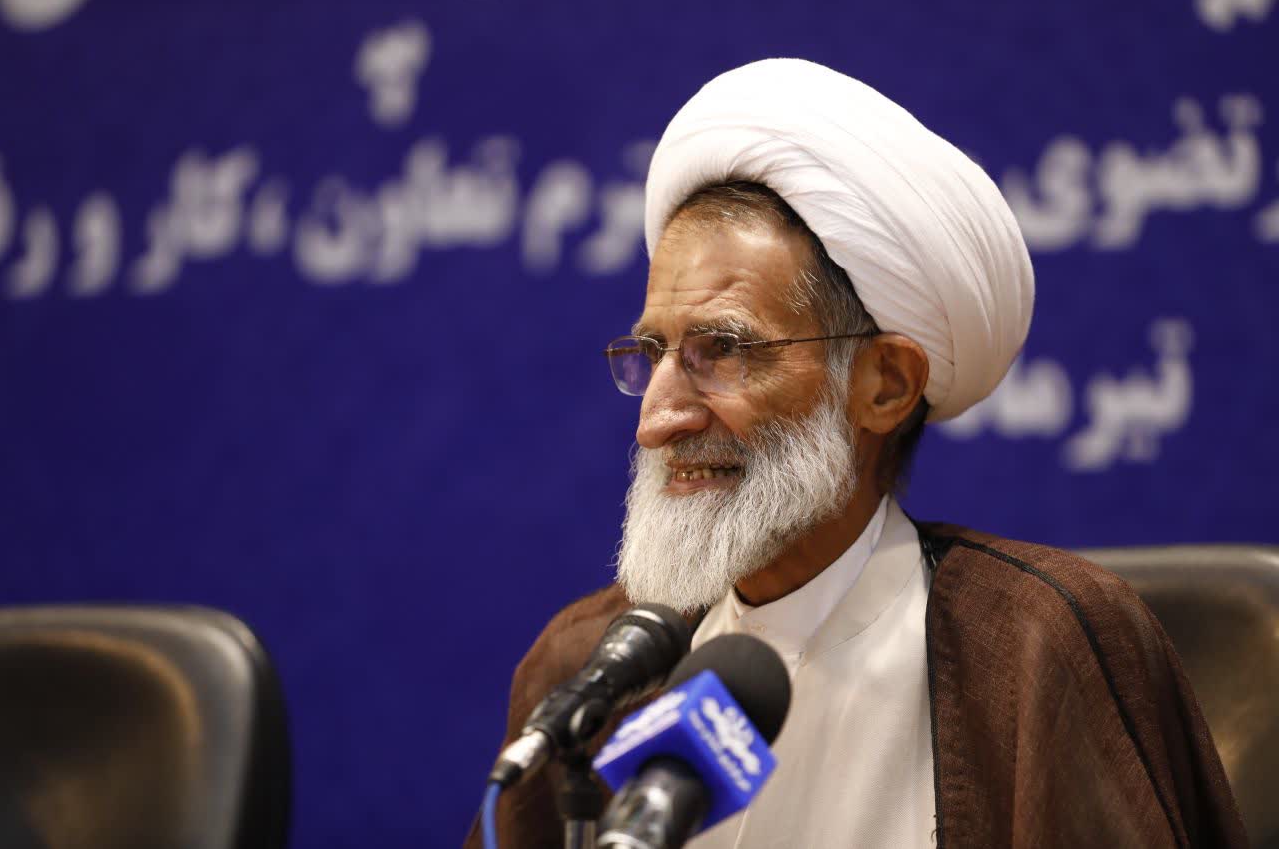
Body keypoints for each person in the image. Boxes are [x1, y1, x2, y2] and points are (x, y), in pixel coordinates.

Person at [466, 59, 1245, 848]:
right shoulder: (588, 672)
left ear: (886, 385)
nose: (657, 420)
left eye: (723, 349)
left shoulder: (1036, 651)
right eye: (654, 352)